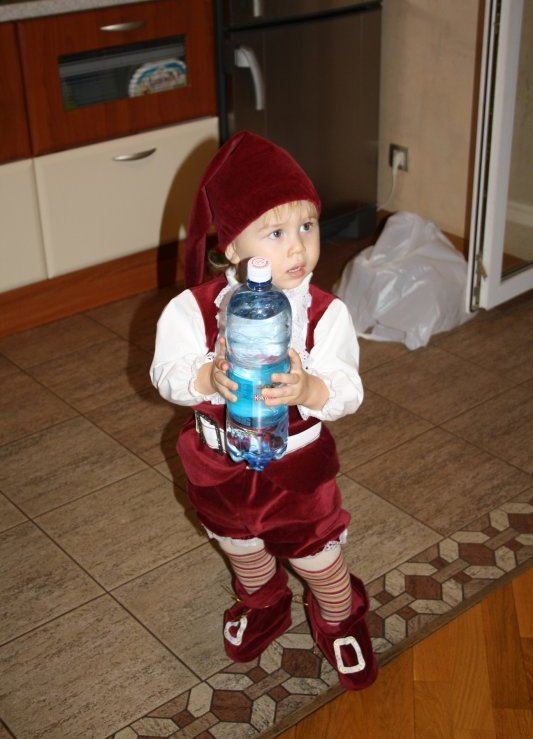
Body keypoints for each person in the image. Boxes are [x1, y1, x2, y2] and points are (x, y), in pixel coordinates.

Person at [150, 131, 378, 690]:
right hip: (216, 463)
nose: (297, 247)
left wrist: (310, 389)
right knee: (238, 541)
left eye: (307, 226)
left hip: (296, 469)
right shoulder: (192, 309)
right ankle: (264, 600)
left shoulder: (324, 314)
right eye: (275, 233)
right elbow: (165, 372)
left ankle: (338, 612)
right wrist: (205, 377)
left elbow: (348, 389)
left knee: (315, 551)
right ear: (232, 247)